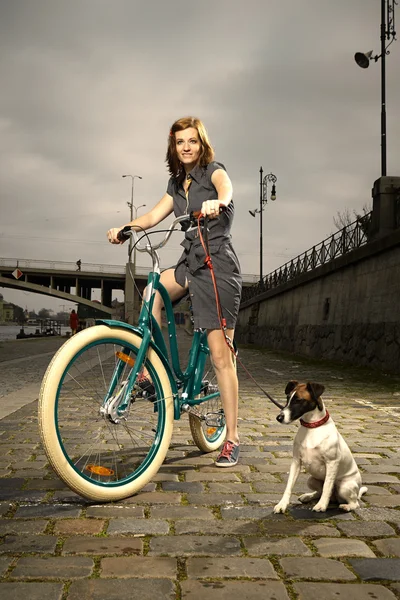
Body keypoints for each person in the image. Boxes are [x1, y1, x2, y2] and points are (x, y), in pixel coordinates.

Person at [107, 117, 242, 467]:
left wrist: (219, 202)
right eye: (180, 141)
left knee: (220, 355)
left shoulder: (214, 171)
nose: (186, 146)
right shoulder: (176, 182)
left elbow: (226, 187)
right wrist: (125, 227)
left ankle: (231, 439)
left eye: (192, 141)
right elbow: (153, 216)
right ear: (174, 146)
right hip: (188, 263)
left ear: (202, 144)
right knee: (153, 291)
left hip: (217, 267)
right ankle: (154, 370)